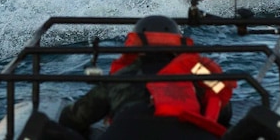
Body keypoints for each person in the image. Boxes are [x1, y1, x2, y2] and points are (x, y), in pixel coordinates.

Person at [56, 15, 235, 140]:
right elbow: (223, 109)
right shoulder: (197, 72)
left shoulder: (120, 77)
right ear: (176, 43)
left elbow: (75, 118)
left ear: (136, 44)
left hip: (128, 132)